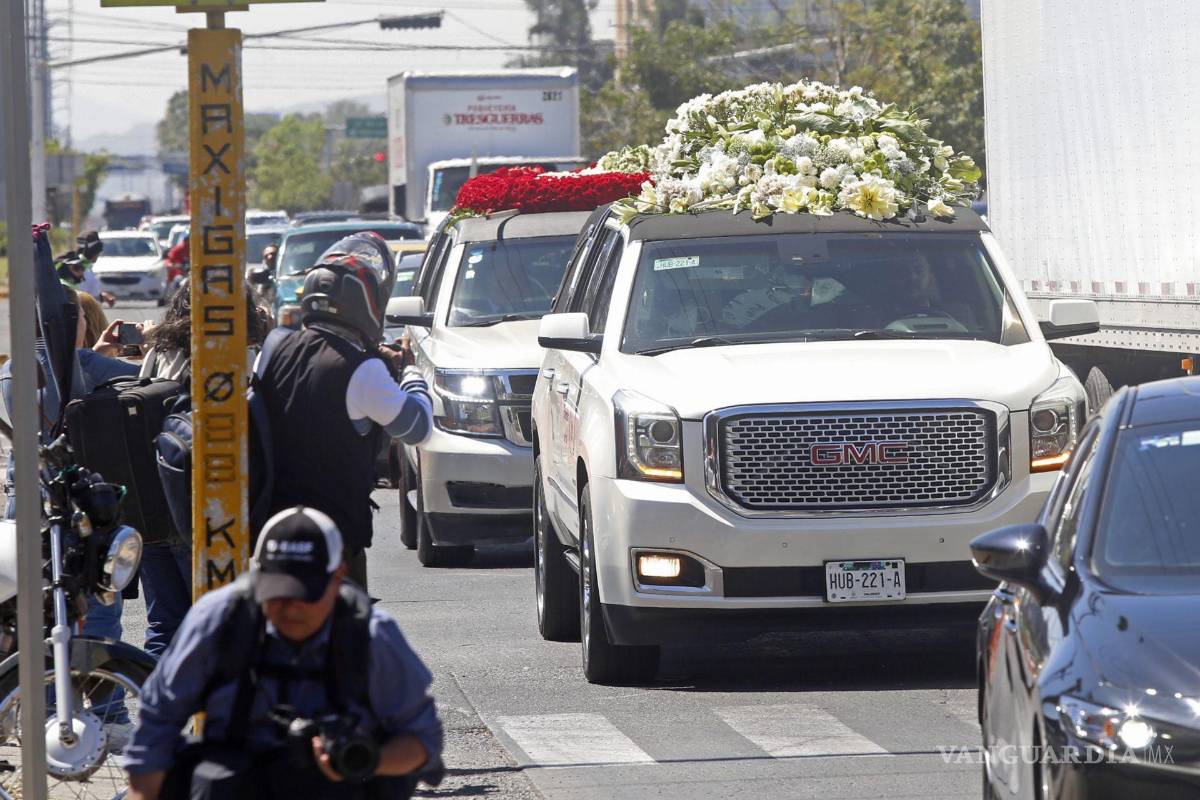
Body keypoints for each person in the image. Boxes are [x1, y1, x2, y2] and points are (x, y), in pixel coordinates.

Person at [124, 506, 443, 800]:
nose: (290, 609)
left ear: (338, 578)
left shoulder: (372, 635)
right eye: (276, 595)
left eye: (304, 595)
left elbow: (422, 740)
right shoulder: (219, 620)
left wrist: (365, 760)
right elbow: (158, 721)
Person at [256, 233, 433, 590]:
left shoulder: (275, 348)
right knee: (345, 641)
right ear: (364, 303)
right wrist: (412, 372)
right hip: (335, 539)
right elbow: (417, 427)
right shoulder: (361, 369)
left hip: (275, 532)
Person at [134, 282, 270, 657]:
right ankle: (217, 712)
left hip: (153, 502)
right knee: (221, 624)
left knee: (164, 626)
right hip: (210, 508)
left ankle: (160, 710)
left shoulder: (162, 352)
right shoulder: (244, 356)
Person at [56, 230, 116, 307]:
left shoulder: (76, 265)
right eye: (98, 250)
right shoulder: (79, 269)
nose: (99, 254)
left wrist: (102, 297)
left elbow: (85, 293)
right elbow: (81, 295)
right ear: (94, 251)